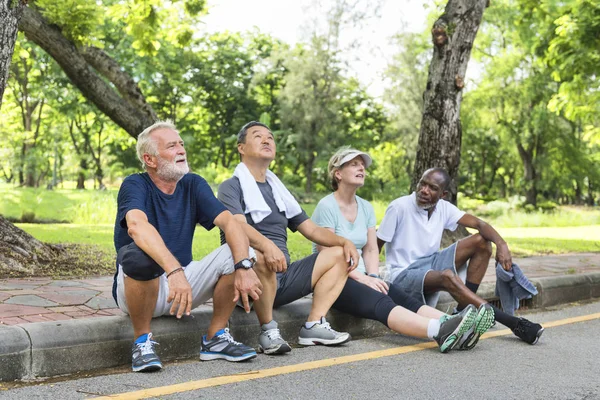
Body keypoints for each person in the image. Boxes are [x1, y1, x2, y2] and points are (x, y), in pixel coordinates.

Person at [113, 121, 263, 372]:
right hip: (140, 285)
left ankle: (215, 337)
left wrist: (244, 267)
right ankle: (142, 342)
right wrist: (174, 271)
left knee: (240, 252)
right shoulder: (135, 184)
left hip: (181, 288)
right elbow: (137, 227)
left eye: (181, 144)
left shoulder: (193, 183)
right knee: (138, 255)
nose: (181, 150)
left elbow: (231, 223)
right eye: (172, 146)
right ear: (150, 159)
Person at [311, 147, 488, 352]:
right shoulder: (327, 206)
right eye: (353, 164)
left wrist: (374, 275)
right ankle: (439, 330)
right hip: (333, 280)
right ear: (338, 173)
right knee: (381, 302)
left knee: (398, 295)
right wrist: (364, 279)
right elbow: (328, 253)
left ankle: (458, 323)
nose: (361, 168)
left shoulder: (366, 207)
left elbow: (370, 249)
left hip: (362, 277)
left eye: (362, 165)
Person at [217, 121, 359, 355]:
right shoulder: (230, 187)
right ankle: (268, 331)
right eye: (257, 136)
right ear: (241, 148)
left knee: (338, 254)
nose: (266, 140)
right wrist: (267, 245)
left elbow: (311, 230)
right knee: (260, 256)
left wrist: (345, 242)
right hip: (248, 278)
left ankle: (314, 325)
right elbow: (237, 226)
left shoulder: (278, 190)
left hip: (282, 276)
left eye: (270, 137)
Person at [377, 167, 545, 347]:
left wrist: (502, 244)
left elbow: (479, 224)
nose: (424, 190)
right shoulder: (399, 207)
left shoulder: (443, 208)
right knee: (447, 276)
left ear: (443, 194)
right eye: (422, 184)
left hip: (430, 263)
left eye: (432, 188)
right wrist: (368, 277)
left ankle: (465, 309)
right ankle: (513, 323)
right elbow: (374, 246)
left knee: (482, 241)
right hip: (402, 273)